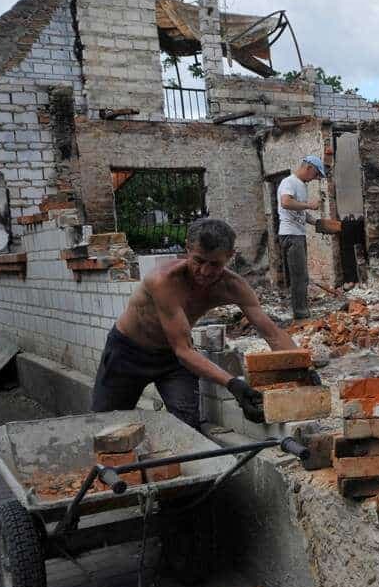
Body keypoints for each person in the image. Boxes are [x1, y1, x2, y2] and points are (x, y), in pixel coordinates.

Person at [91, 217, 306, 429]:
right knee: (107, 426)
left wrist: (300, 368)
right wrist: (234, 385)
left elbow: (273, 334)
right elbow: (184, 350)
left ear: (230, 257)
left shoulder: (233, 286)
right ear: (187, 250)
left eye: (215, 264)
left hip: (172, 360)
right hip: (127, 354)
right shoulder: (163, 281)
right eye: (199, 261)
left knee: (187, 426)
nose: (204, 272)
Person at [278, 155, 327, 320]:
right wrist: (309, 205)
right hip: (290, 234)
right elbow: (285, 202)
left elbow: (300, 212)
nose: (315, 179)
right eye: (316, 175)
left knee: (301, 276)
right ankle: (300, 314)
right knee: (299, 276)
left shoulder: (301, 185)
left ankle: (301, 310)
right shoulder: (289, 182)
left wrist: (318, 223)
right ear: (309, 168)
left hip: (297, 234)